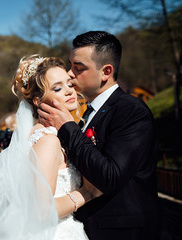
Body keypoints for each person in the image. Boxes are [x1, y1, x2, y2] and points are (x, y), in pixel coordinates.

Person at [38, 31, 159, 240]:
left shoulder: (131, 110)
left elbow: (109, 177)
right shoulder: (88, 113)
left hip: (123, 232)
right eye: (70, 65)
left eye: (79, 68)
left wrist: (68, 126)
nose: (69, 73)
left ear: (106, 72)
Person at [0, 55, 101, 239]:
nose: (69, 91)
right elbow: (42, 212)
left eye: (70, 84)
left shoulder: (48, 136)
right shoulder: (48, 140)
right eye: (57, 88)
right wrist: (87, 193)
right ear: (37, 100)